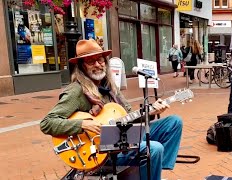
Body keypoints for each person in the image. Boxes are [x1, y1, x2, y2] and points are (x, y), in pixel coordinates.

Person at [40, 39, 183, 180]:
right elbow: (47, 123)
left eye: (100, 60)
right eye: (91, 61)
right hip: (101, 152)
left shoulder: (110, 87)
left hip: (122, 138)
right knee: (154, 148)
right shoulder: (76, 91)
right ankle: (151, 170)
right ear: (82, 66)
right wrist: (83, 124)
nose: (97, 64)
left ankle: (154, 170)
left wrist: (151, 112)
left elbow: (129, 117)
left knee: (173, 122)